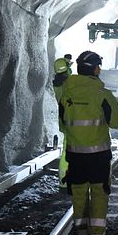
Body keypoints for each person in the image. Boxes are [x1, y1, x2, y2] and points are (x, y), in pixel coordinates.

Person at [59, 51, 118, 235]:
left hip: (75, 155)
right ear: (96, 69)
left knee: (78, 194)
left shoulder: (66, 94)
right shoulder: (102, 94)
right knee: (99, 193)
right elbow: (116, 122)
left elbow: (63, 125)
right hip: (99, 155)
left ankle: (82, 233)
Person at [52, 55, 73, 189]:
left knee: (67, 152)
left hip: (64, 121)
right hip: (74, 120)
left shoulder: (57, 84)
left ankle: (63, 181)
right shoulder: (70, 83)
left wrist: (66, 63)